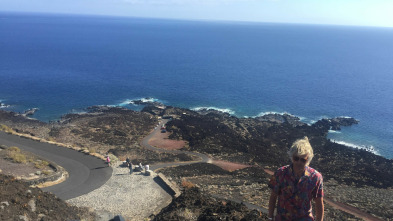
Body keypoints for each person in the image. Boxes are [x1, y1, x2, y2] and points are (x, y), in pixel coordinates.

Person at [268, 136, 324, 221]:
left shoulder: (316, 177)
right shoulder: (280, 173)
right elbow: (273, 197)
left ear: (308, 160)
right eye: (296, 158)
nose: (299, 162)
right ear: (292, 157)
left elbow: (319, 202)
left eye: (303, 160)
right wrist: (270, 217)